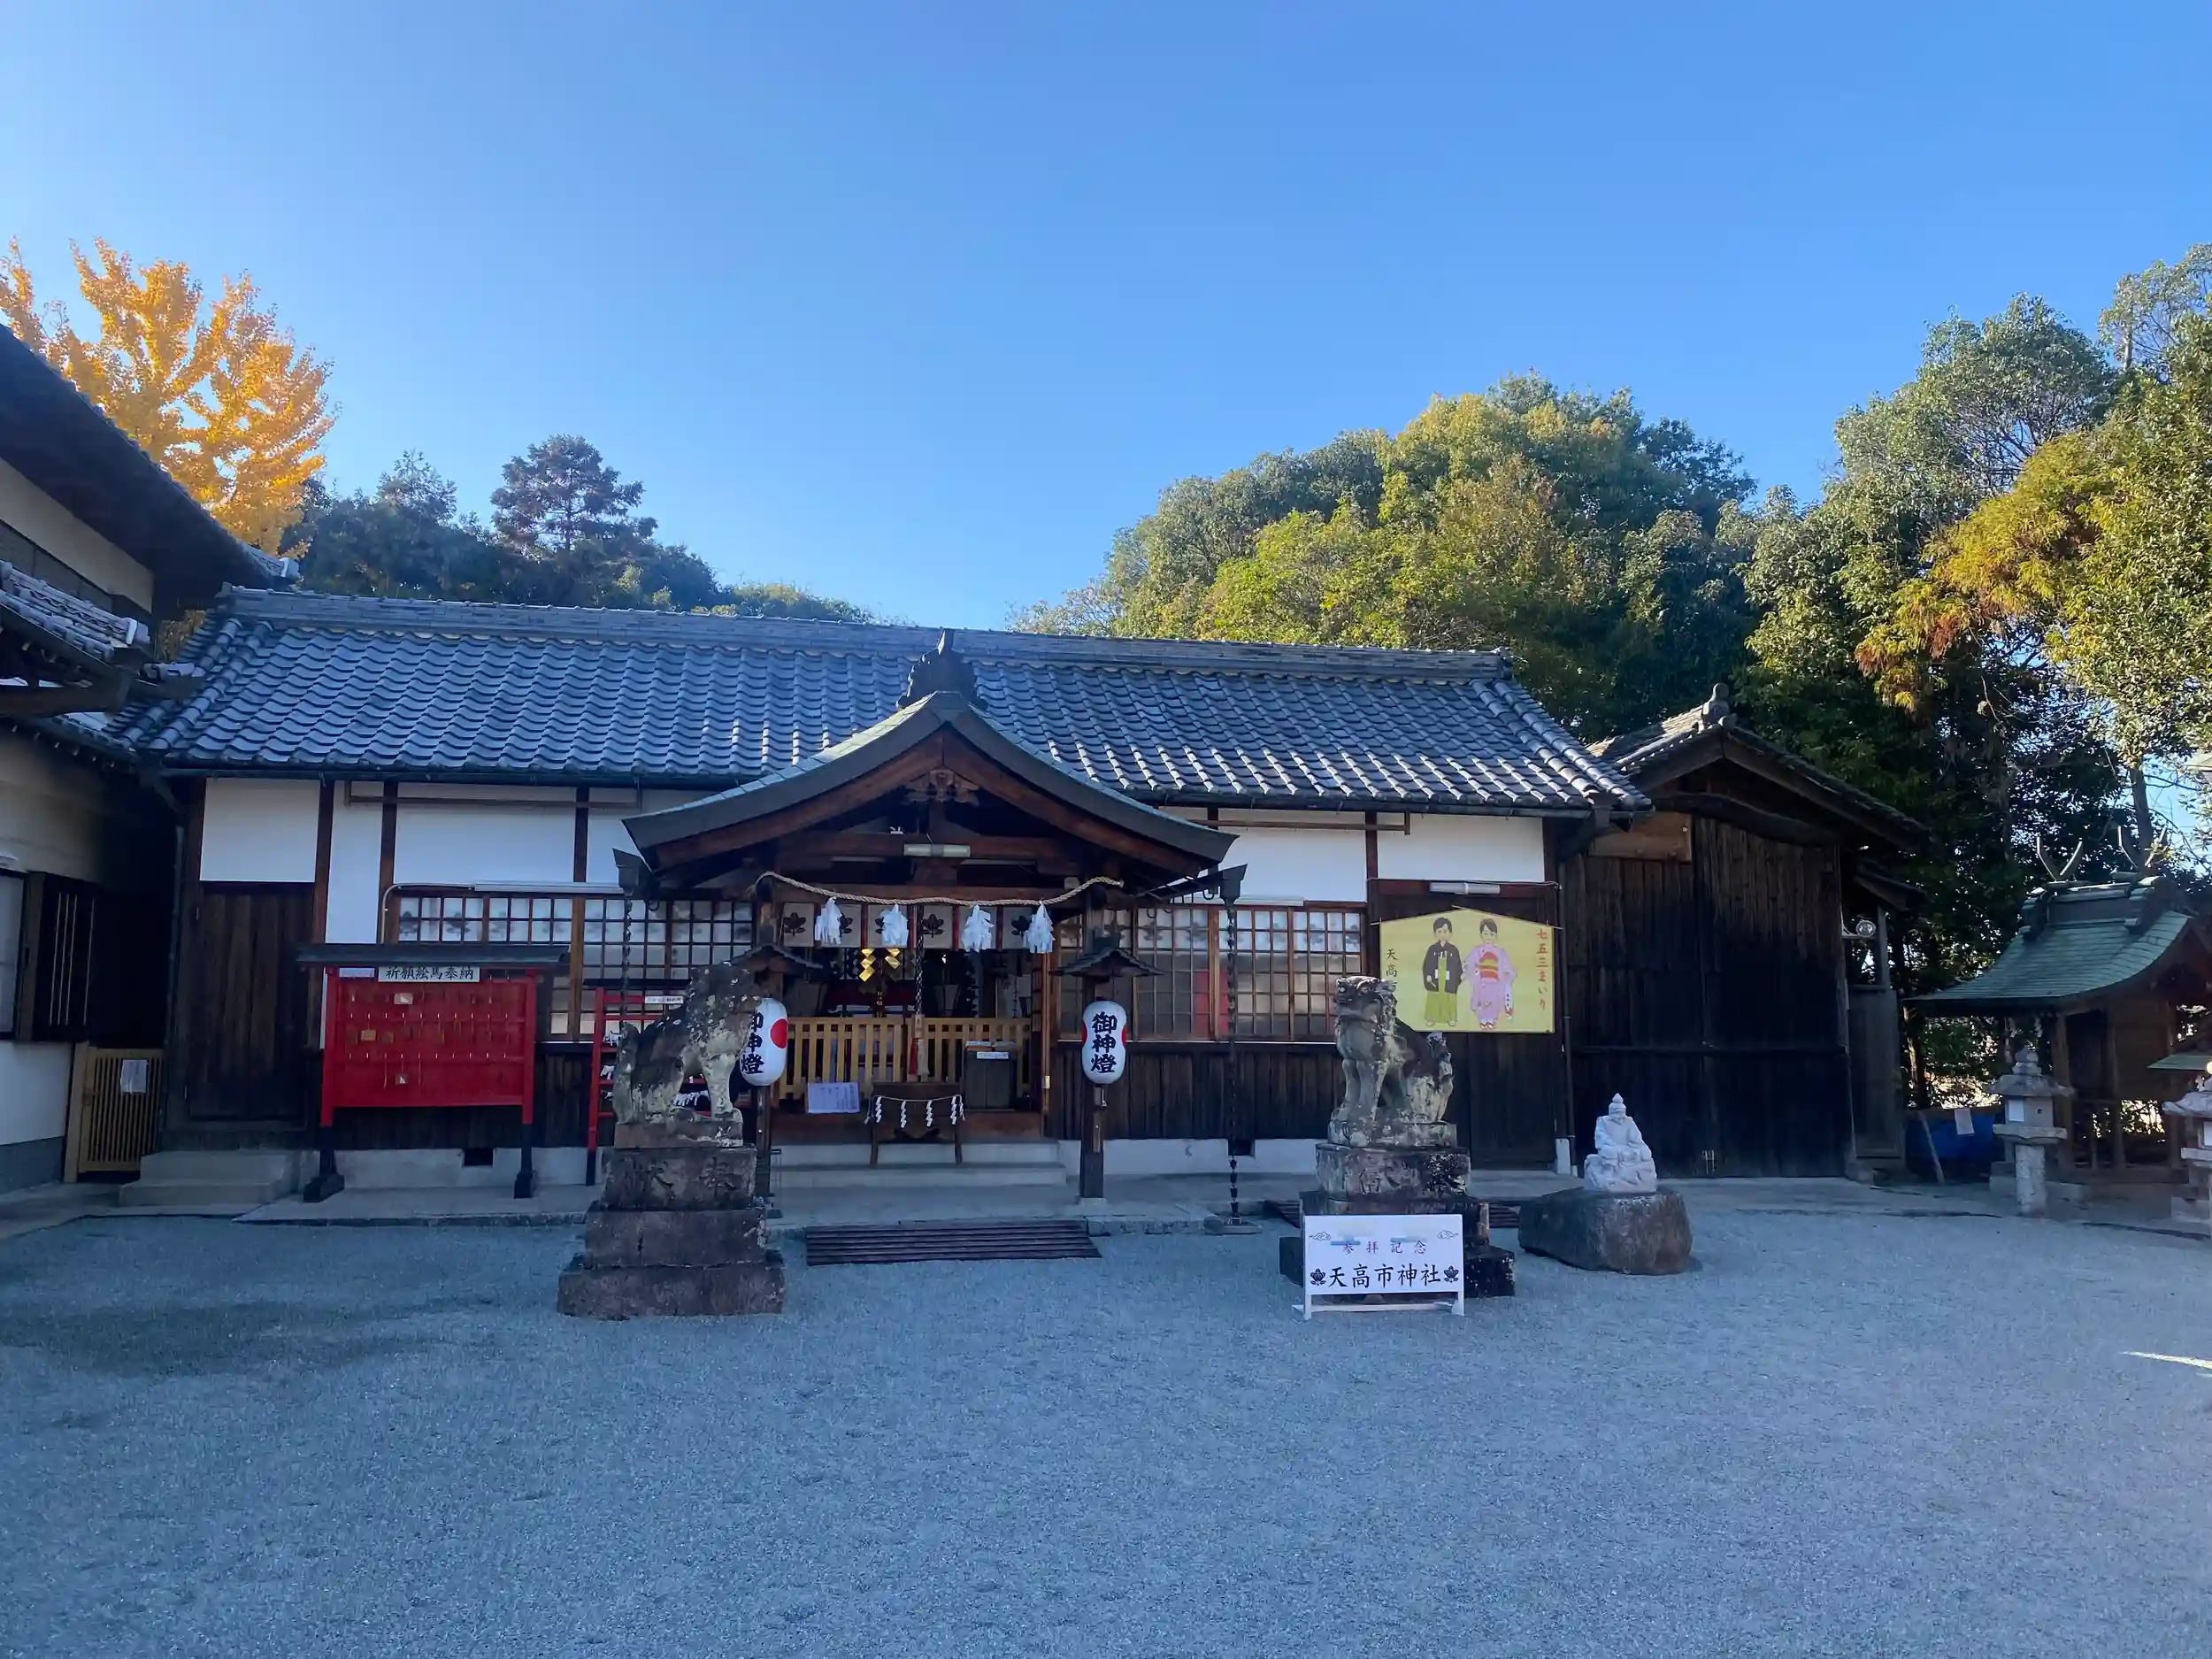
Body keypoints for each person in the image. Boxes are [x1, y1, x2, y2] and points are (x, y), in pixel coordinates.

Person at [1467, 917, 1517, 1029]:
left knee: (1494, 1001)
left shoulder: (1500, 952)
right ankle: (1483, 1020)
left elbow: (1508, 968)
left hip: (1495, 982)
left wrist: (1507, 974)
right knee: (1481, 1000)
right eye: (1485, 933)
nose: (1488, 937)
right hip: (1482, 982)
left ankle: (1492, 1020)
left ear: (1495, 935)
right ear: (1481, 934)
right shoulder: (1477, 951)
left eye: (1491, 934)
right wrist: (1472, 971)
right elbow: (1469, 964)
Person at [1420, 916, 1463, 1027]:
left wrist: (1458, 976)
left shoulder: (1453, 950)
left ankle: (1451, 1018)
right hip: (1436, 978)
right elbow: (1427, 964)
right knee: (1434, 998)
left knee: (1449, 998)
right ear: (1435, 933)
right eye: (1439, 931)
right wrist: (1428, 975)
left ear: (1450, 933)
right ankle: (1432, 1018)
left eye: (1445, 931)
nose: (1442, 934)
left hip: (1448, 979)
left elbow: (1457, 966)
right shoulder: (1432, 949)